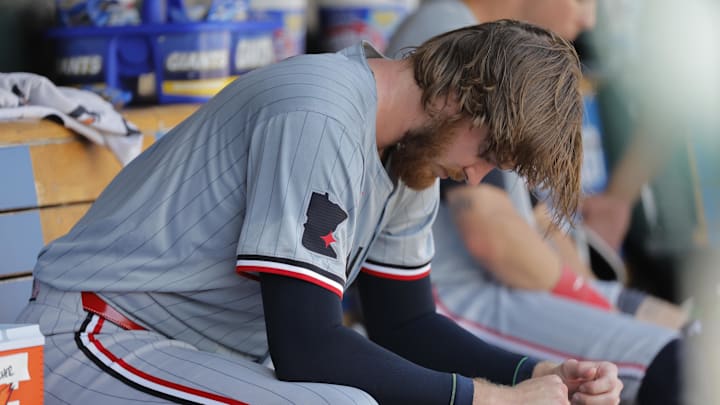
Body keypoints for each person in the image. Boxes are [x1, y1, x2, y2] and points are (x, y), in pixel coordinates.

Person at [17, 21, 622, 404]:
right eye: (486, 152)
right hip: (99, 336)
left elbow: (405, 326)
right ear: (457, 96)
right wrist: (496, 401)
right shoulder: (323, 112)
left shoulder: (413, 155)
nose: (475, 175)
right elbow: (306, 346)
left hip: (189, 354)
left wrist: (540, 373)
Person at [385, 0, 685, 404]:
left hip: (504, 282)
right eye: (583, 0)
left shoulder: (500, 46)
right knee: (684, 367)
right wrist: (595, 305)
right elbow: (491, 233)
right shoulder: (453, 30)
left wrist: (597, 295)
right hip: (453, 294)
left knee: (695, 337)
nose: (588, 18)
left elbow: (534, 219)